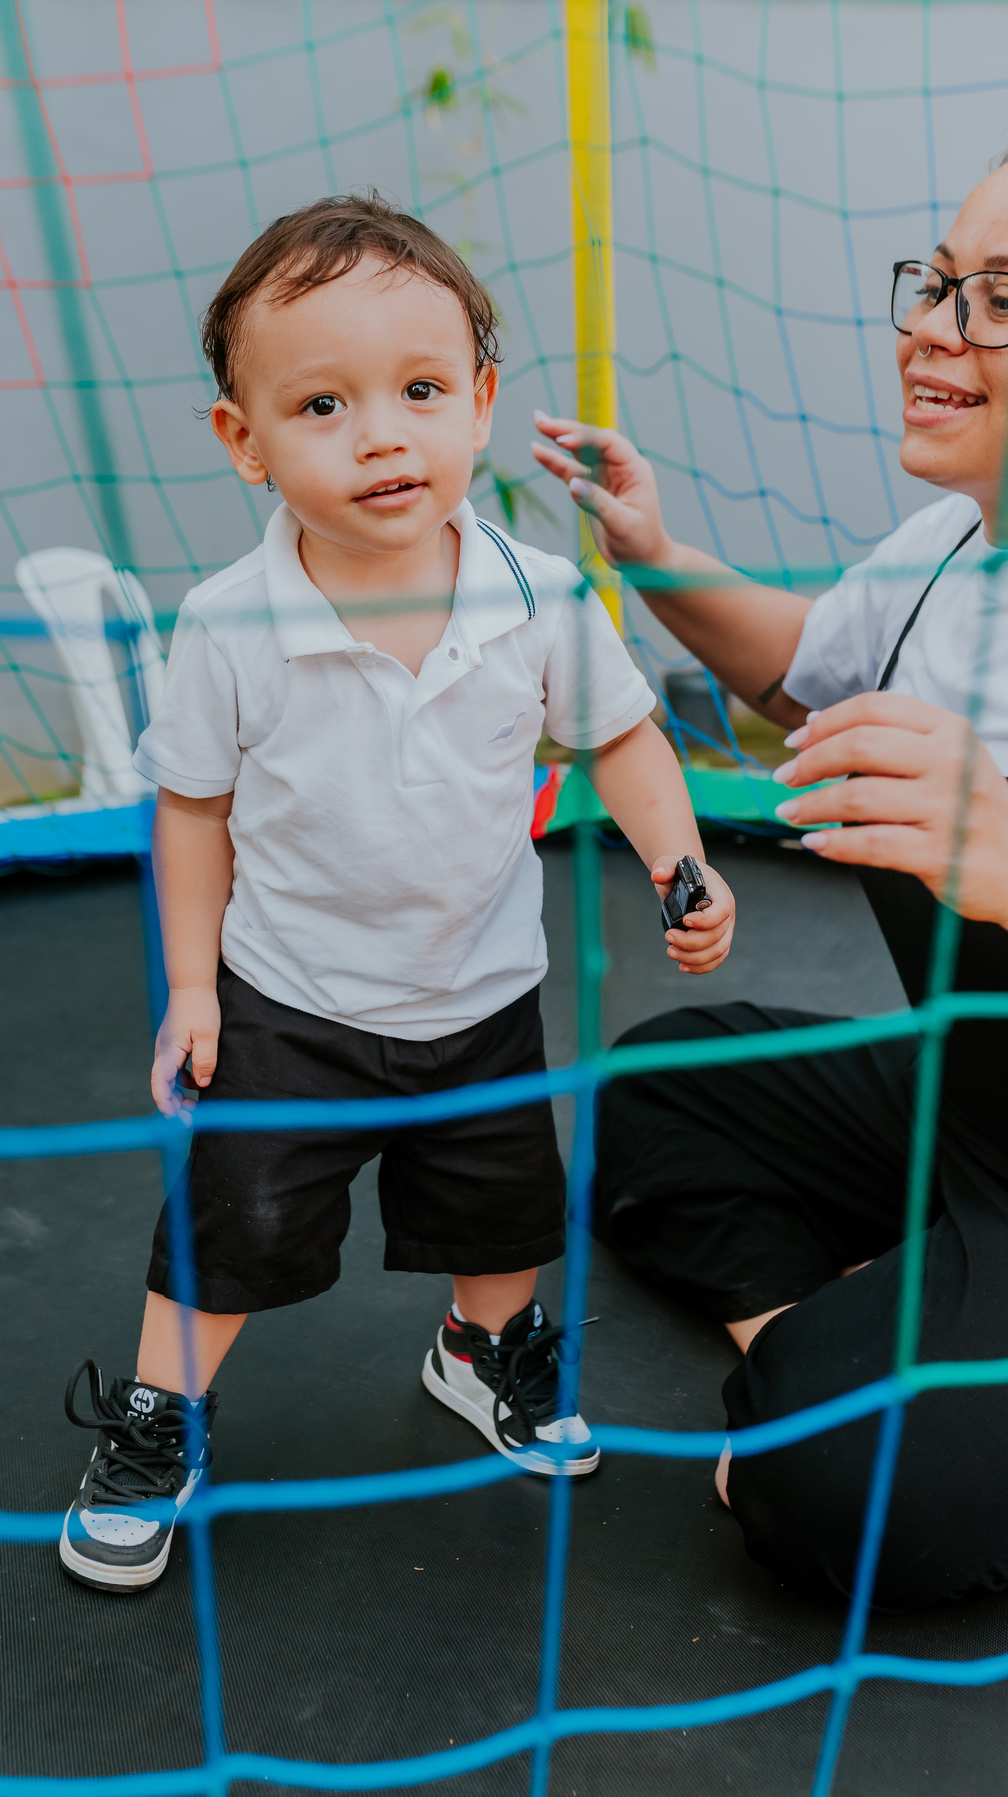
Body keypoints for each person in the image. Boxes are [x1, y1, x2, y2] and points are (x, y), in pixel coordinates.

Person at [57, 192, 737, 1594]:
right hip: (288, 998)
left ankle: (483, 1348)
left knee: (501, 1213)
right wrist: (193, 987)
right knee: (228, 1227)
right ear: (241, 442)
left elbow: (620, 734)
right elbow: (190, 808)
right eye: (322, 404)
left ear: (480, 403)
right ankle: (160, 1414)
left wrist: (681, 862)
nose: (382, 433)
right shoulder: (228, 625)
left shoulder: (540, 596)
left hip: (481, 989)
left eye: (421, 389)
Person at [533, 156, 1008, 1609]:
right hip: (974, 1105)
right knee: (648, 1095)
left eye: (999, 302)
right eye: (936, 280)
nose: (933, 325)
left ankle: (871, 1400)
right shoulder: (947, 554)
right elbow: (805, 671)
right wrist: (659, 555)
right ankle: (866, 1343)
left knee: (842, 1493)